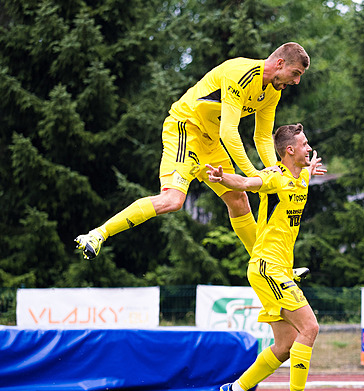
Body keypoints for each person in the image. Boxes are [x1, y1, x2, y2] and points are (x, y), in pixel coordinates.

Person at [75, 43, 311, 281]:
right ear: (280, 63)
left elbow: (261, 136)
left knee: (239, 200)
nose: (296, 82)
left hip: (210, 141)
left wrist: (277, 173)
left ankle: (269, 268)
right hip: (185, 130)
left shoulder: (273, 90)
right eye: (295, 74)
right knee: (173, 200)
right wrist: (255, 176)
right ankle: (97, 234)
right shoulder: (240, 73)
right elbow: (229, 132)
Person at [207, 123, 326, 391]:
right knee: (310, 328)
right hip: (267, 267)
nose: (308, 148)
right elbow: (247, 184)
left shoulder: (303, 175)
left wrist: (310, 166)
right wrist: (224, 178)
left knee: (285, 346)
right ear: (289, 150)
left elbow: (306, 170)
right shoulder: (274, 177)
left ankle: (235, 390)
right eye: (304, 145)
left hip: (278, 268)